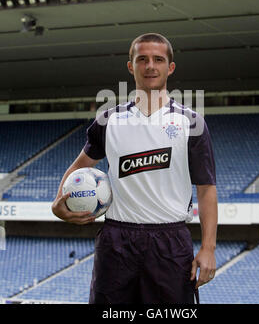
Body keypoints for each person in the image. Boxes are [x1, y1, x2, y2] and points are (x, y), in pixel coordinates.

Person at [52, 33, 218, 304]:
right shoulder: (108, 120)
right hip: (117, 240)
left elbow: (206, 189)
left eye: (158, 59)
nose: (150, 66)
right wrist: (57, 203)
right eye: (142, 59)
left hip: (171, 242)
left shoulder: (191, 122)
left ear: (170, 67)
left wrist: (208, 247)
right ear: (131, 66)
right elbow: (79, 166)